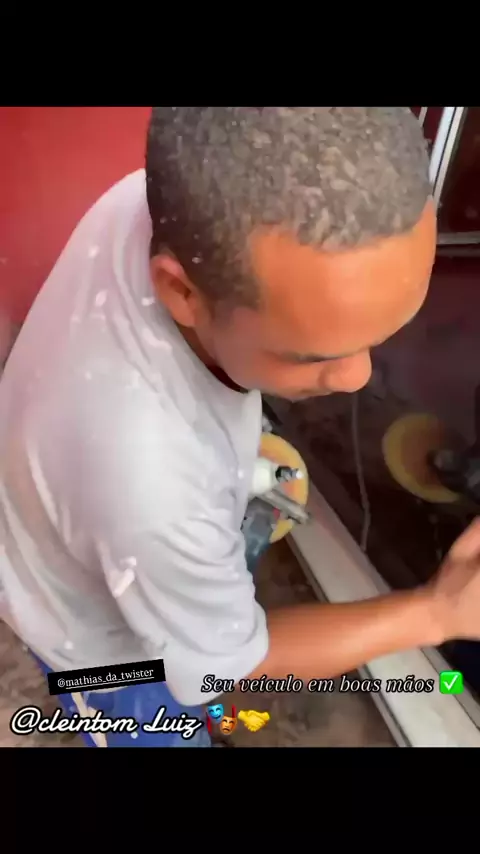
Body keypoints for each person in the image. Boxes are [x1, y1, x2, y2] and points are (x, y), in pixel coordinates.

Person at [1, 106, 479, 748]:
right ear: (182, 293)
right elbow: (231, 667)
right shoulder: (151, 484)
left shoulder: (174, 202)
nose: (358, 377)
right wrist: (436, 611)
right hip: (100, 652)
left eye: (384, 330)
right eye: (311, 353)